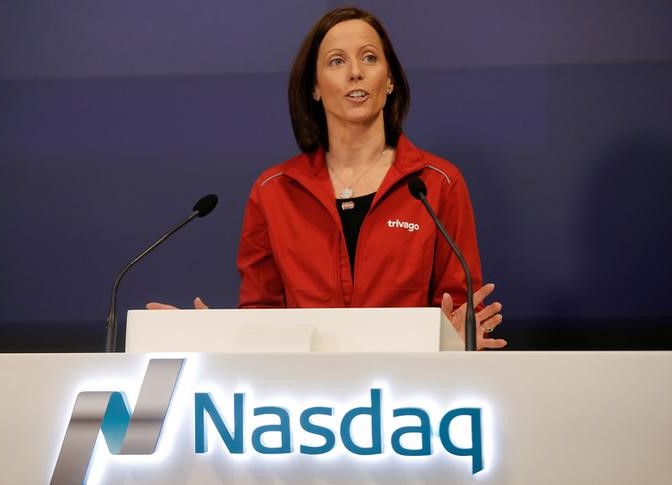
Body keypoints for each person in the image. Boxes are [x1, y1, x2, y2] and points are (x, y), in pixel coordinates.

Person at [149, 6, 506, 350]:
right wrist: (209, 337)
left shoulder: (437, 183)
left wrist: (461, 338)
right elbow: (260, 318)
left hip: (411, 401)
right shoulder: (273, 191)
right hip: (306, 403)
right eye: (337, 61)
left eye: (369, 58)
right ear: (315, 88)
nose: (355, 72)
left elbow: (460, 309)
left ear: (390, 80)